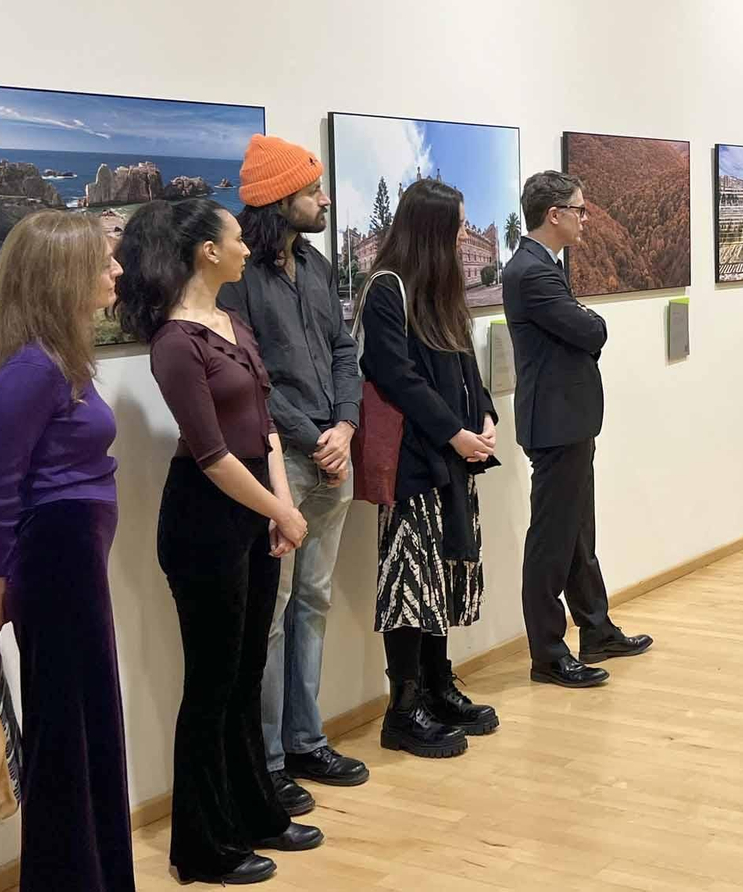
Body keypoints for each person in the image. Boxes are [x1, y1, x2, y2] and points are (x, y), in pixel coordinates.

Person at [115, 197, 322, 885]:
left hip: (251, 513)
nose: (244, 248)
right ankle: (202, 848)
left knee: (243, 678)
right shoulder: (176, 342)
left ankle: (254, 814)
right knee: (210, 685)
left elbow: (262, 427)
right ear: (207, 251)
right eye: (235, 239)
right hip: (203, 523)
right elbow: (210, 455)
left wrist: (280, 507)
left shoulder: (230, 321)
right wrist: (281, 512)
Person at [0, 211, 135, 891]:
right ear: (63, 274)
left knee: (86, 722)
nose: (117, 270)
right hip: (57, 562)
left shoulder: (62, 359)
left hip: (74, 559)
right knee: (68, 732)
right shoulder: (32, 370)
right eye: (103, 261)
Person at [219, 135, 368, 815]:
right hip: (280, 465)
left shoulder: (317, 265)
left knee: (313, 604)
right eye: (314, 191)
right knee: (272, 618)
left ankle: (307, 741)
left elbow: (344, 347)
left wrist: (344, 426)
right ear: (282, 199)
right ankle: (269, 760)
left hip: (330, 455)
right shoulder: (237, 280)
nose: (325, 199)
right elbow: (252, 380)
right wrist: (317, 437)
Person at [358, 178, 501, 756]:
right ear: (433, 229)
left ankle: (440, 688)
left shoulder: (440, 290)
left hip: (453, 457)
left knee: (440, 576)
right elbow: (395, 374)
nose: (465, 233)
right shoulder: (387, 289)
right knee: (408, 582)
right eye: (458, 224)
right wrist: (454, 432)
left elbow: (465, 366)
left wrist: (484, 414)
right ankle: (404, 708)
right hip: (416, 461)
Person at [502, 170, 652, 688]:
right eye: (580, 209)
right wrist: (592, 322)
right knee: (551, 541)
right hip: (555, 422)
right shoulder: (533, 273)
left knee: (577, 533)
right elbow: (590, 329)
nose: (586, 218)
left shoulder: (543, 268)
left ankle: (596, 629)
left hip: (568, 419)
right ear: (554, 215)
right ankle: (547, 652)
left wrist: (586, 322)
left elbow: (581, 327)